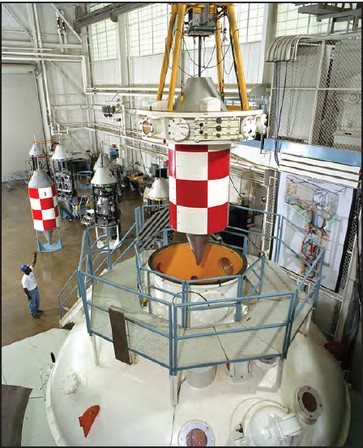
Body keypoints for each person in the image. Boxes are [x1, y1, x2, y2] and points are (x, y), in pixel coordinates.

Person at [21, 251, 43, 318]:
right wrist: (28, 296)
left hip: (35, 288)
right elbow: (25, 289)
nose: (29, 268)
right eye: (27, 268)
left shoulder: (30, 271)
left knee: (37, 300)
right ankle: (33, 313)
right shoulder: (24, 279)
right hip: (31, 292)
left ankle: (36, 310)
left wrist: (35, 256)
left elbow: (33, 263)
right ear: (25, 271)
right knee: (31, 303)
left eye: (28, 267)